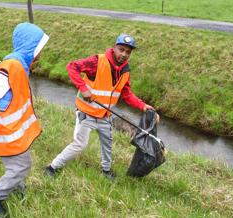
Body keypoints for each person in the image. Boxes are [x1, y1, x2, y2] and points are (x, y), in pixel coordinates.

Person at [45, 33, 158, 180]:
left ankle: (106, 171)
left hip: (105, 116)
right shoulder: (97, 61)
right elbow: (71, 67)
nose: (124, 54)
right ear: (114, 48)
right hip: (86, 114)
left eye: (128, 52)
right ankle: (52, 167)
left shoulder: (125, 71)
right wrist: (83, 88)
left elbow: (127, 95)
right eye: (121, 49)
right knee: (80, 145)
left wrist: (144, 107)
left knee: (107, 144)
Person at [0, 22, 49, 218]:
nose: (41, 52)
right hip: (5, 132)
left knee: (16, 164)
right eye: (39, 48)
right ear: (30, 47)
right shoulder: (11, 67)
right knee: (22, 165)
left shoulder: (20, 66)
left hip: (14, 131)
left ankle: (16, 189)